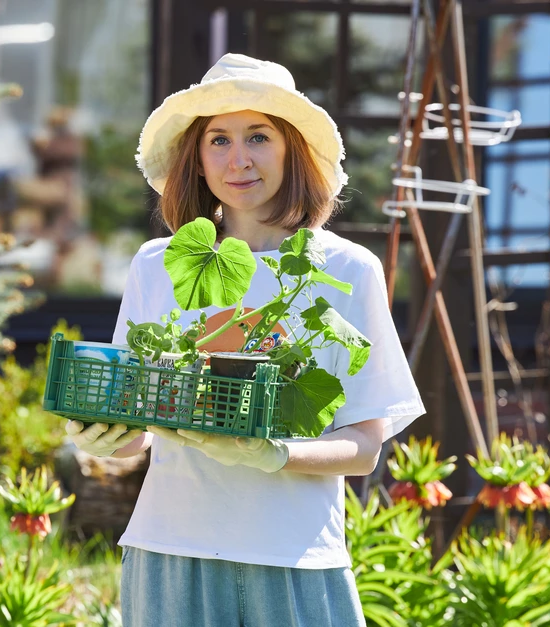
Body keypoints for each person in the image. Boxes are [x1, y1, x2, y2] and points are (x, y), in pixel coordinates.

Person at [65, 53, 425, 626]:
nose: (239, 160)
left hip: (295, 557)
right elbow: (144, 429)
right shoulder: (156, 265)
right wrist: (104, 438)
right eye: (218, 140)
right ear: (197, 158)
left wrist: (274, 452)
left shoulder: (346, 268)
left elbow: (364, 448)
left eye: (258, 137)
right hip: (170, 551)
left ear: (290, 151)